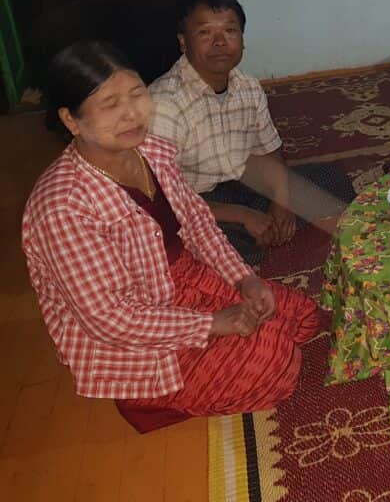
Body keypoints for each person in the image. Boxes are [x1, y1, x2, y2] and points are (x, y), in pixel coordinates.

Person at [21, 41, 320, 433]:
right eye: (110, 104)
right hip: (132, 334)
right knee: (276, 360)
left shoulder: (151, 151)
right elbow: (110, 319)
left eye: (137, 94)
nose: (131, 114)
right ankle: (146, 399)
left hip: (182, 279)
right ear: (72, 120)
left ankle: (214, 355)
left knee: (300, 315)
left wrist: (242, 277)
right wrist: (210, 324)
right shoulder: (63, 207)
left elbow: (196, 222)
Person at [149, 0, 352, 265]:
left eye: (230, 31)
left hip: (244, 185)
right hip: (193, 203)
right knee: (208, 241)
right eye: (205, 33)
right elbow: (163, 196)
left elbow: (268, 151)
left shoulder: (248, 87)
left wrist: (281, 203)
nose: (220, 42)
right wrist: (243, 215)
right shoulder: (164, 104)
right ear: (183, 42)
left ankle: (262, 230)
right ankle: (249, 236)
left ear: (242, 40)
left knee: (332, 179)